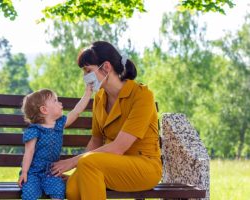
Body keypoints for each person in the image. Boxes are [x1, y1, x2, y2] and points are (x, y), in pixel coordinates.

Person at [51, 41, 162, 200]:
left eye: (88, 70)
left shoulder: (142, 95)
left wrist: (73, 162)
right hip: (109, 165)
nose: (85, 77)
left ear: (107, 67)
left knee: (88, 164)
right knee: (73, 190)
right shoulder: (100, 98)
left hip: (145, 167)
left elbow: (118, 147)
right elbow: (96, 140)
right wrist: (79, 172)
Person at [17, 87, 92, 200]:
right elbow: (29, 152)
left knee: (58, 190)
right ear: (44, 110)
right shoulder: (34, 130)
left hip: (51, 171)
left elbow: (76, 111)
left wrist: (87, 93)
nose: (60, 103)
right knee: (29, 193)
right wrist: (25, 172)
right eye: (55, 101)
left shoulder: (59, 124)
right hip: (33, 172)